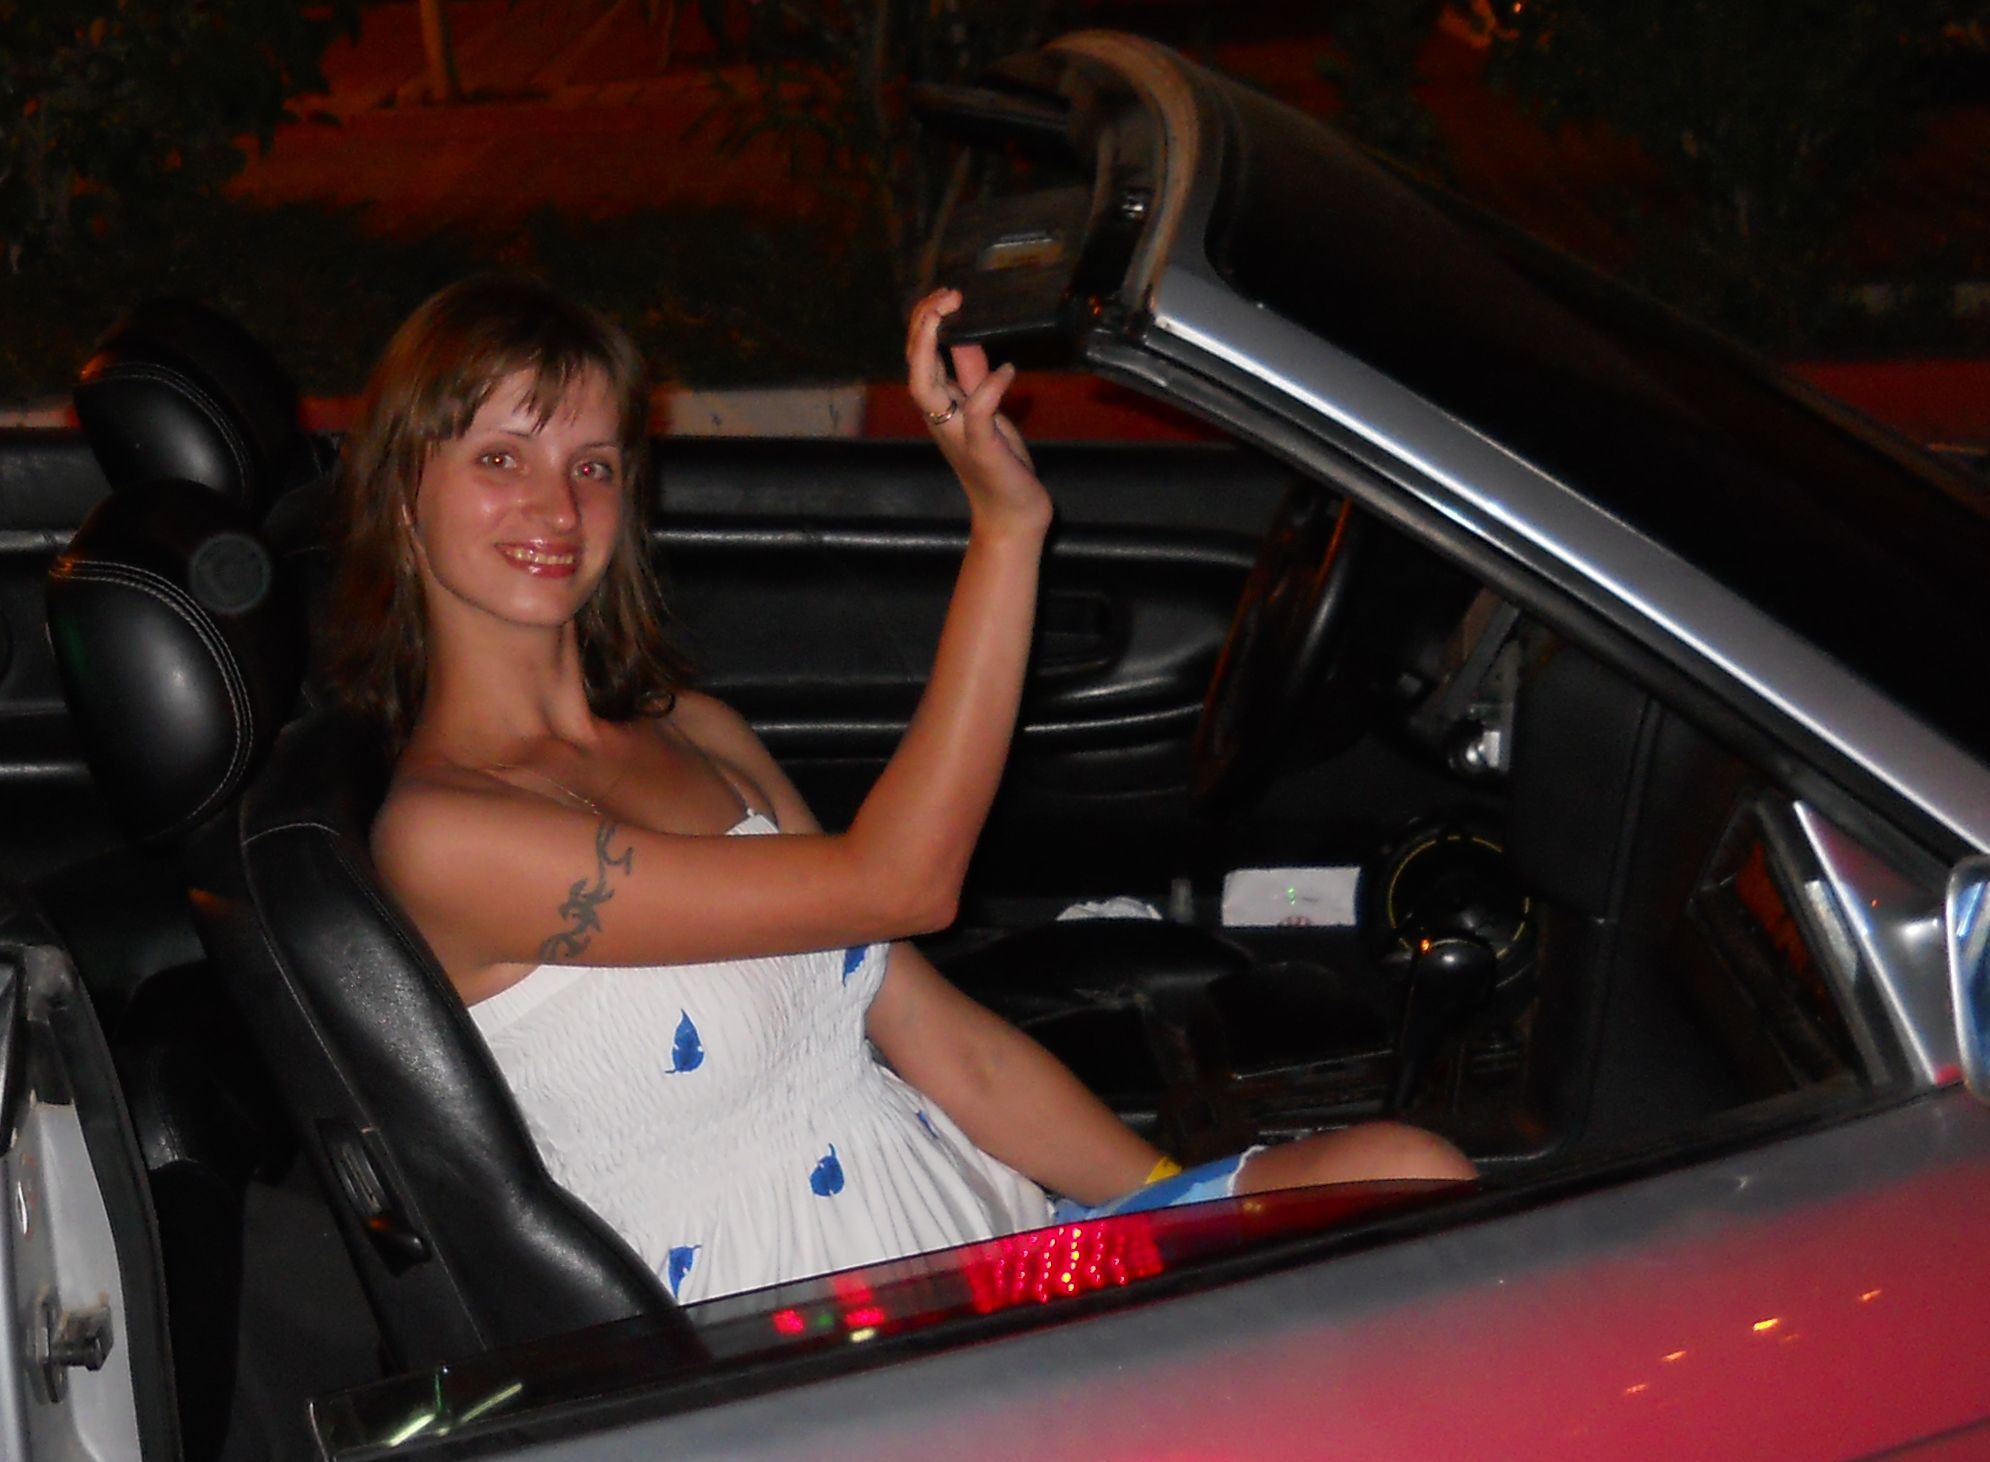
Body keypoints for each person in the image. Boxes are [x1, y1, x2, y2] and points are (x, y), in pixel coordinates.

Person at [326, 273, 1472, 1307]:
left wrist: (1172, 1207)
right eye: (498, 459)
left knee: (1407, 1175)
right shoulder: (445, 834)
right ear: (402, 492)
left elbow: (943, 1039)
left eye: (593, 465)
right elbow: (900, 882)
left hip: (990, 1255)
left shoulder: (698, 733)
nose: (557, 507)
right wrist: (1005, 533)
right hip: (821, 1361)